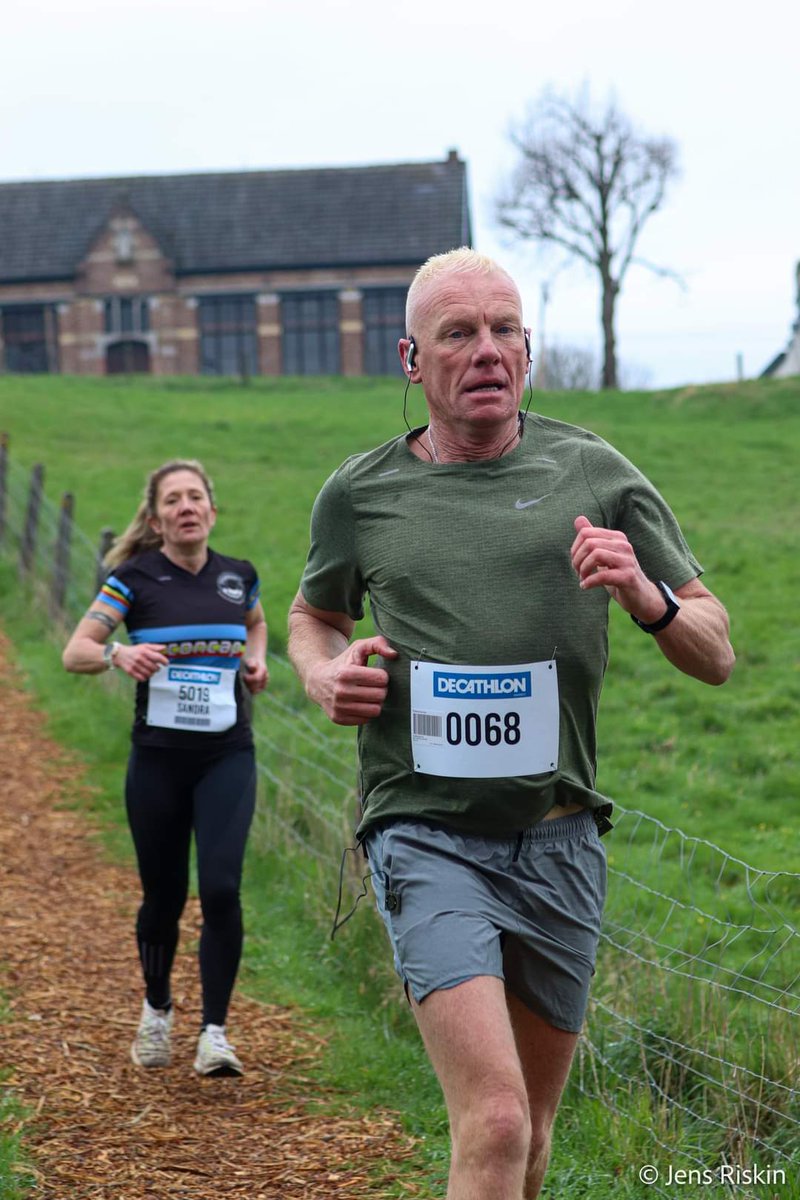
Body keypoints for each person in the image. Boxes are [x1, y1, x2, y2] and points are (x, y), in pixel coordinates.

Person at [287, 248, 735, 1199]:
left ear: (527, 352)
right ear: (413, 361)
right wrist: (325, 672)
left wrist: (648, 597)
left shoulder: (595, 470)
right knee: (490, 1121)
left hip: (560, 839)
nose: (487, 350)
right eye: (459, 333)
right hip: (425, 834)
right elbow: (312, 615)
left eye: (505, 331)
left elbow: (716, 646)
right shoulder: (360, 494)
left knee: (530, 1137)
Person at [63, 459, 268, 1078]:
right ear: (156, 519)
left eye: (196, 496)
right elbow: (76, 652)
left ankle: (215, 1033)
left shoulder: (239, 577)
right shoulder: (133, 579)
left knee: (223, 888)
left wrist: (255, 662)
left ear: (211, 509)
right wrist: (119, 653)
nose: (186, 507)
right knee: (163, 895)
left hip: (227, 754)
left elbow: (255, 626)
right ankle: (157, 1009)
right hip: (157, 761)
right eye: (173, 500)